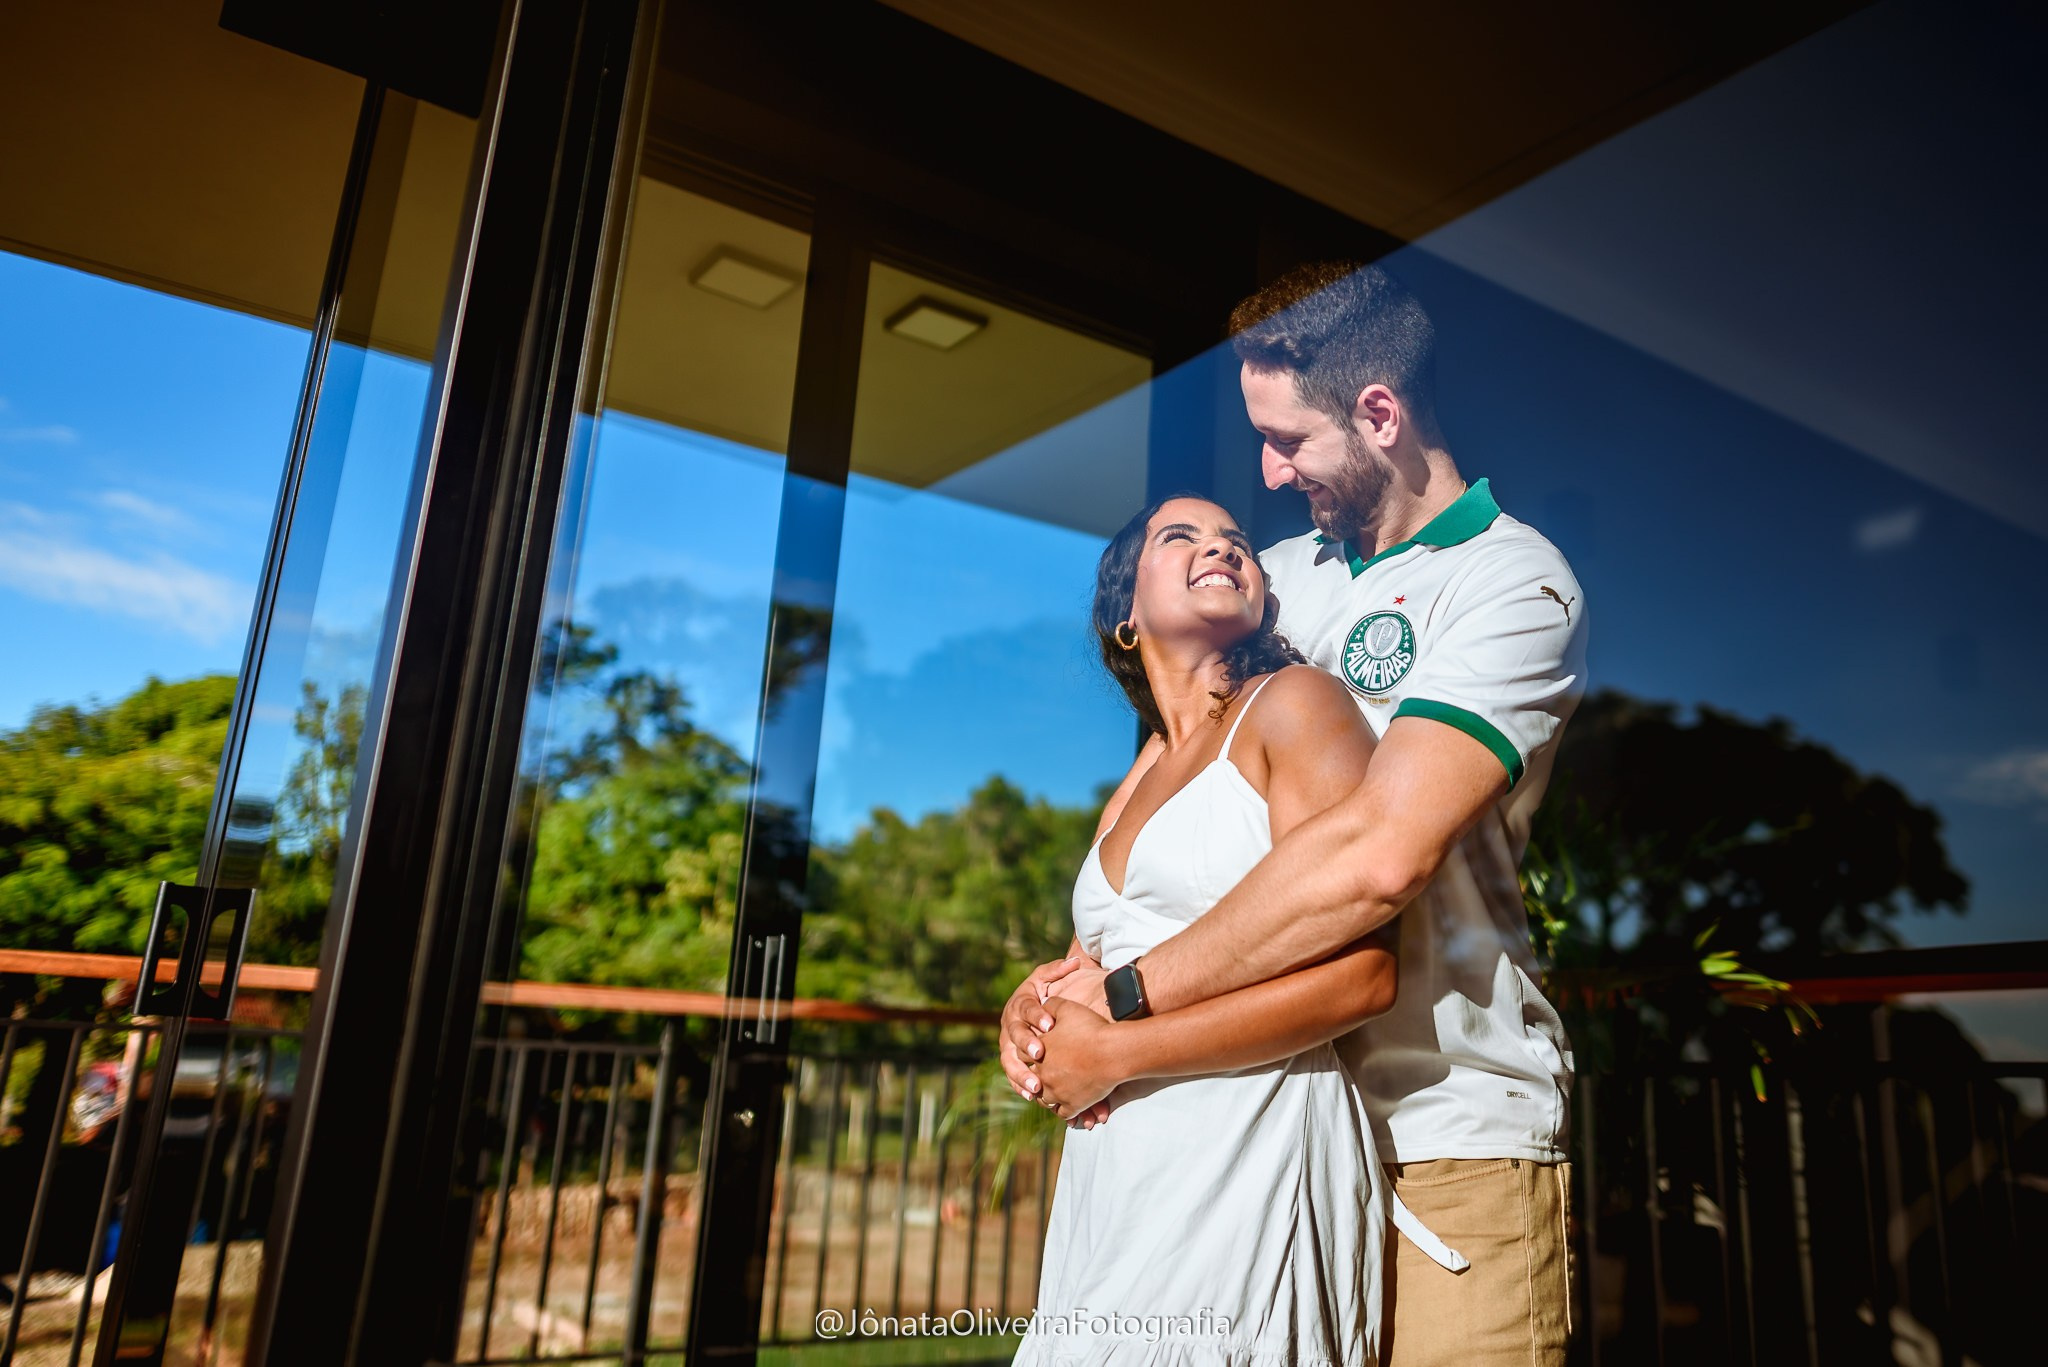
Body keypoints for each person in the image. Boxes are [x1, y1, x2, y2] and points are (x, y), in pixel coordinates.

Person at [1008, 262, 1587, 1367]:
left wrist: (1122, 1007)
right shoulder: (1271, 576)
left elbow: (1375, 858)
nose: (1266, 477)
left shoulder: (1511, 584)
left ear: (1377, 413)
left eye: (1284, 440)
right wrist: (1054, 986)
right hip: (1252, 1123)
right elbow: (1180, 825)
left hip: (1441, 1132)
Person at [1011, 494, 1463, 1367]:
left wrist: (1120, 1053)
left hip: (1251, 1138)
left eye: (1236, 541)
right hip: (1122, 1172)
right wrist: (1023, 1019)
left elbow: (1362, 978)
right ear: (1126, 616)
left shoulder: (1296, 705)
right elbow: (1087, 964)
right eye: (1179, 536)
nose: (1219, 546)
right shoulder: (1143, 766)